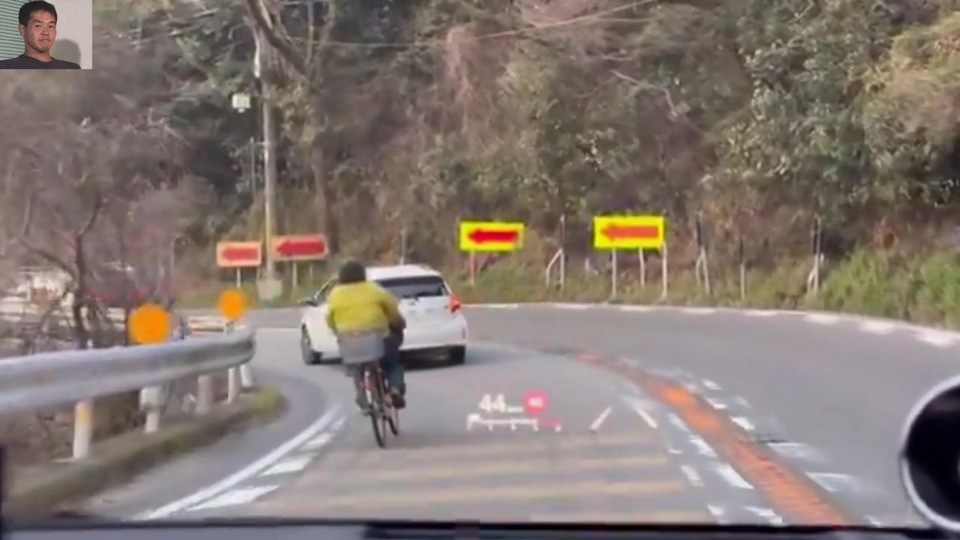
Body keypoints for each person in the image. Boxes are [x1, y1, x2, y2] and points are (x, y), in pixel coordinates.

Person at [325, 260, 407, 411]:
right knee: (392, 363)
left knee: (357, 366)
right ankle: (395, 389)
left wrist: (338, 332)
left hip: (349, 339)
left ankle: (362, 396)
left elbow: (330, 319)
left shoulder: (335, 295)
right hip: (378, 337)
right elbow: (392, 311)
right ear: (363, 274)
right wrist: (399, 324)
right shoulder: (374, 290)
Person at [0, 1, 80, 70]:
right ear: (23, 30)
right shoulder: (5, 67)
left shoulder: (72, 69)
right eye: (38, 26)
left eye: (50, 26)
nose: (46, 32)